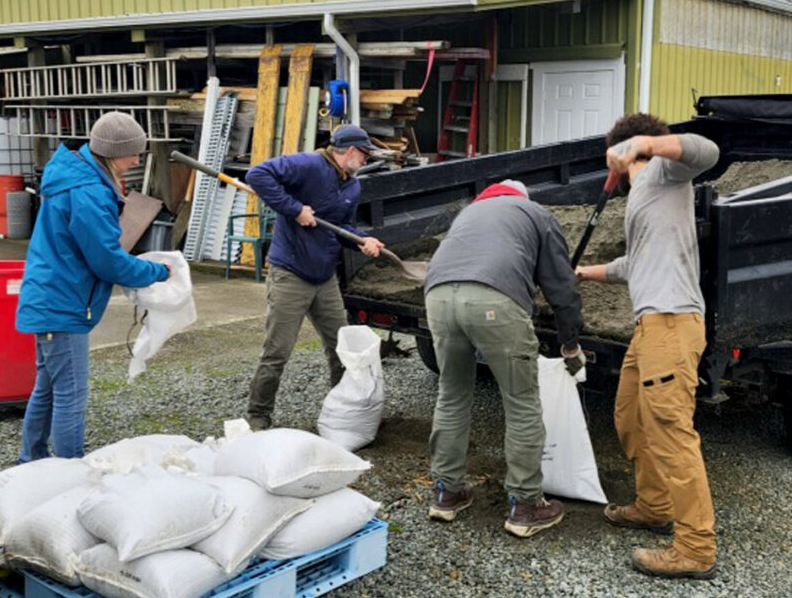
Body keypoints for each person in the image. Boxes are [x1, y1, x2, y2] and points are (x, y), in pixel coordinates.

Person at [575, 113, 720, 579]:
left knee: (671, 432)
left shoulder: (664, 171)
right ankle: (654, 505)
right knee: (632, 417)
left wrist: (642, 144)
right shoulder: (642, 194)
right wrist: (581, 273)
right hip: (649, 328)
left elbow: (707, 150)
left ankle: (696, 548)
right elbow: (631, 265)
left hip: (672, 322)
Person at [423, 179, 586, 539]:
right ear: (521, 198)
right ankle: (526, 506)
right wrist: (570, 343)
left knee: (451, 395)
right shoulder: (536, 213)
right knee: (521, 403)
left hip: (437, 298)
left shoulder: (468, 214)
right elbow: (561, 287)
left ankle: (446, 494)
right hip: (494, 302)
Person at [15, 111, 171, 463]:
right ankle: (71, 471)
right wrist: (157, 272)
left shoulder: (78, 178)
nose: (136, 160)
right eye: (133, 153)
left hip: (50, 296)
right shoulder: (88, 192)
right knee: (70, 394)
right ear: (114, 152)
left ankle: (31, 461)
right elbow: (108, 261)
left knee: (48, 390)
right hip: (63, 304)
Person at [245, 124, 385, 431]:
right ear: (349, 151)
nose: (366, 159)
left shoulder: (352, 185)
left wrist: (362, 240)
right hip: (291, 274)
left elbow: (343, 227)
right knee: (277, 351)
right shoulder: (308, 165)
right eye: (365, 153)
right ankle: (258, 416)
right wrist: (294, 209)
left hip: (325, 278)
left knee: (342, 348)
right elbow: (257, 175)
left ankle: (345, 411)